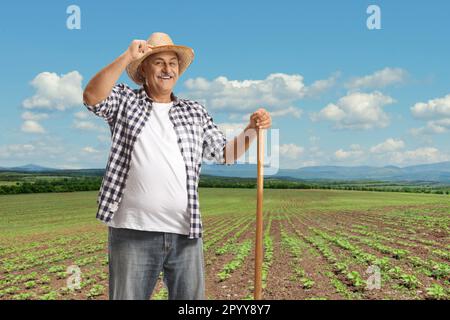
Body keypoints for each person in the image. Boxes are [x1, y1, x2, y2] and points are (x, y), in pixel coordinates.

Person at [83, 32, 272, 300]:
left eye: (173, 63)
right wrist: (127, 55)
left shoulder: (195, 111)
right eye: (158, 62)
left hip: (185, 233)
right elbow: (92, 97)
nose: (167, 69)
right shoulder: (126, 101)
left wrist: (251, 130)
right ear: (144, 68)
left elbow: (224, 153)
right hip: (132, 231)